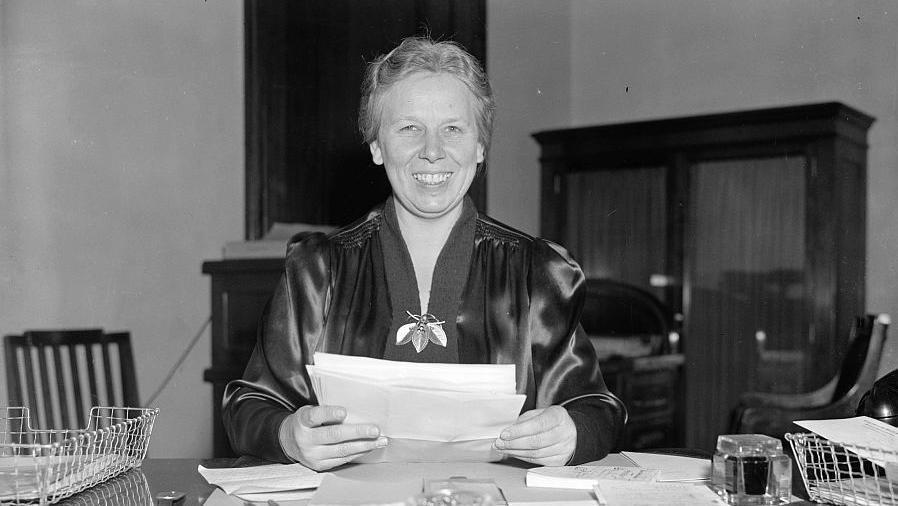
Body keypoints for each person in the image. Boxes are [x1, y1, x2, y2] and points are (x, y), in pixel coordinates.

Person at [222, 36, 625, 472]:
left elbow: (598, 407)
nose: (432, 150)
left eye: (453, 128)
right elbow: (248, 404)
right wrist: (289, 436)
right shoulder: (318, 269)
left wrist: (572, 431)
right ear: (377, 146)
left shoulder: (539, 271)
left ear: (480, 146)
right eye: (409, 127)